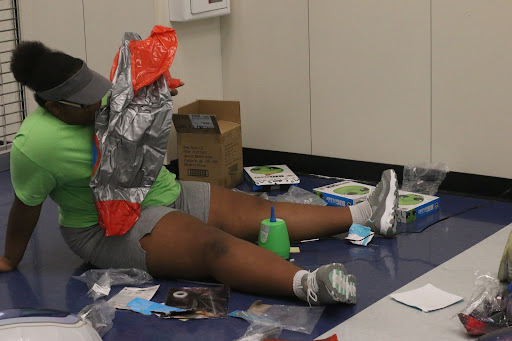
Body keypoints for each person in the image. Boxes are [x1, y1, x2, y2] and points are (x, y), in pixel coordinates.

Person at [1, 41, 399, 306]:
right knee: (214, 245)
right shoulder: (36, 146)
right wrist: (9, 258)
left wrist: (157, 93)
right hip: (110, 228)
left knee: (258, 211)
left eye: (98, 92)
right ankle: (309, 286)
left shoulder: (105, 98)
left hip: (161, 191)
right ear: (55, 107)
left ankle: (366, 215)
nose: (99, 104)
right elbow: (25, 205)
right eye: (86, 104)